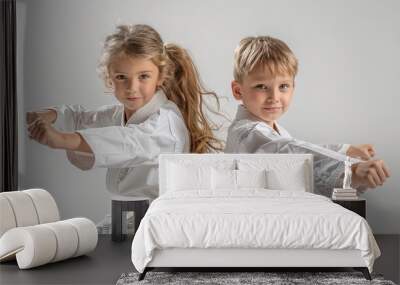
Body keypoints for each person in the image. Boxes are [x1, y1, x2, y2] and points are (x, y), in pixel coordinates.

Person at [26, 24, 222, 200]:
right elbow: (81, 118)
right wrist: (49, 115)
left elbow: (130, 141)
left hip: (162, 222)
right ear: (109, 78)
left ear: (161, 76)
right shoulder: (119, 114)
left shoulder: (167, 124)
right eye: (121, 77)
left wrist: (61, 139)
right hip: (128, 218)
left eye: (143, 76)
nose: (132, 87)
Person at [225, 35, 390, 196]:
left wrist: (345, 150)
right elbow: (289, 153)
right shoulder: (247, 132)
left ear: (293, 87)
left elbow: (299, 147)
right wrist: (350, 170)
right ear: (238, 90)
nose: (274, 97)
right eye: (261, 86)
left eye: (283, 86)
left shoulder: (274, 130)